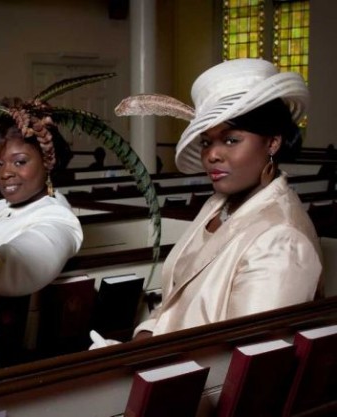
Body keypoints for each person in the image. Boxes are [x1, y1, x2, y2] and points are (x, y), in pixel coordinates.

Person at [114, 58, 323, 340]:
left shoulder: (283, 239)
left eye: (230, 139)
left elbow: (248, 355)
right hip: (165, 361)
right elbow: (176, 301)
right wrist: (142, 340)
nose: (212, 154)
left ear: (272, 142)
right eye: (206, 141)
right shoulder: (218, 203)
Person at [0, 97, 83, 296]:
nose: (4, 173)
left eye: (20, 162)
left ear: (47, 163)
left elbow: (15, 266)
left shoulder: (59, 220)